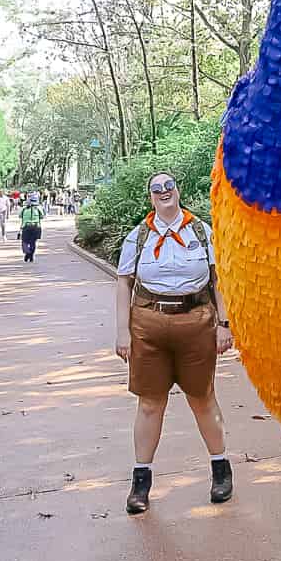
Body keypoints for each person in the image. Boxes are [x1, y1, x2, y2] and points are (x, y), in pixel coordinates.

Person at [115, 172, 234, 515]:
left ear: (178, 191)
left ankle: (220, 469)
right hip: (148, 324)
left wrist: (224, 324)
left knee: (202, 398)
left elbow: (218, 279)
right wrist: (122, 332)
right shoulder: (138, 236)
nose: (164, 192)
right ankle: (141, 481)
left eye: (169, 187)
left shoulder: (201, 232)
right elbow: (124, 282)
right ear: (150, 197)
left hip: (196, 322)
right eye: (156, 189)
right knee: (150, 403)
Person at [18, 191, 45, 262]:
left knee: (25, 242)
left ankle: (28, 253)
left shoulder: (24, 208)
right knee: (33, 242)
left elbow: (20, 215)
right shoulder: (38, 207)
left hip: (26, 226)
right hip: (36, 226)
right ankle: (31, 255)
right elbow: (42, 216)